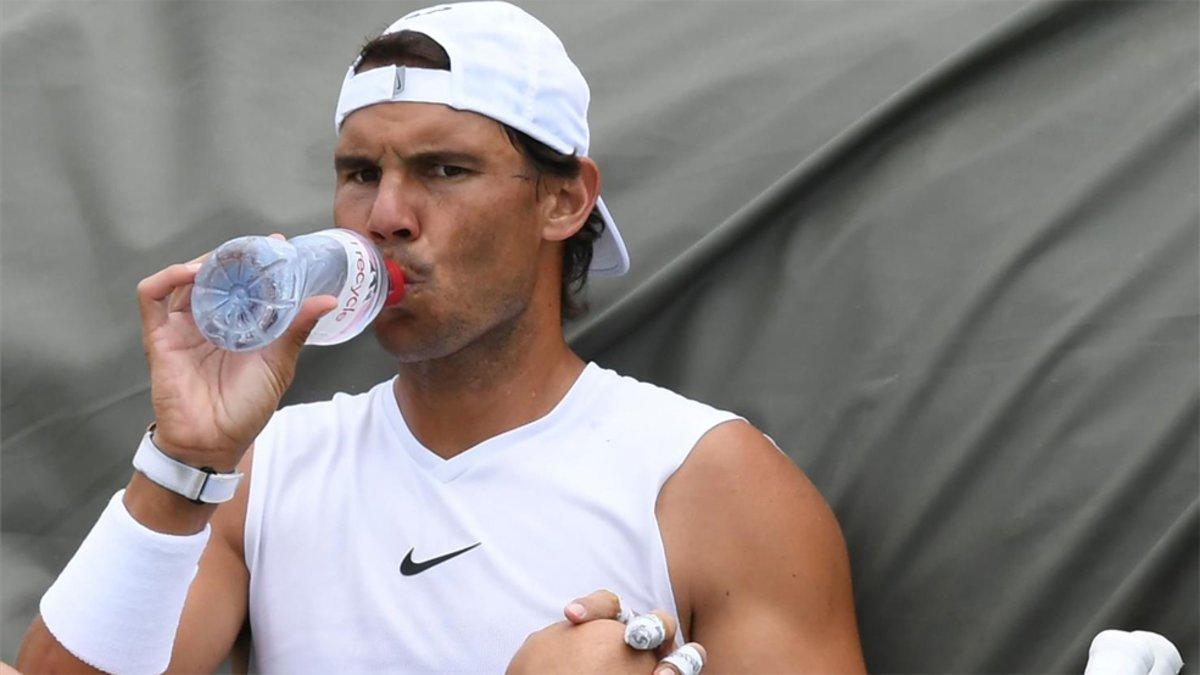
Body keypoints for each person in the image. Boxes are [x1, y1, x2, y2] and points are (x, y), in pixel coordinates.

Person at [17, 2, 866, 672]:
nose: (386, 215)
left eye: (444, 170)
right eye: (359, 174)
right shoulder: (256, 473)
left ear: (563, 201)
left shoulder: (713, 479)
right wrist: (182, 464)